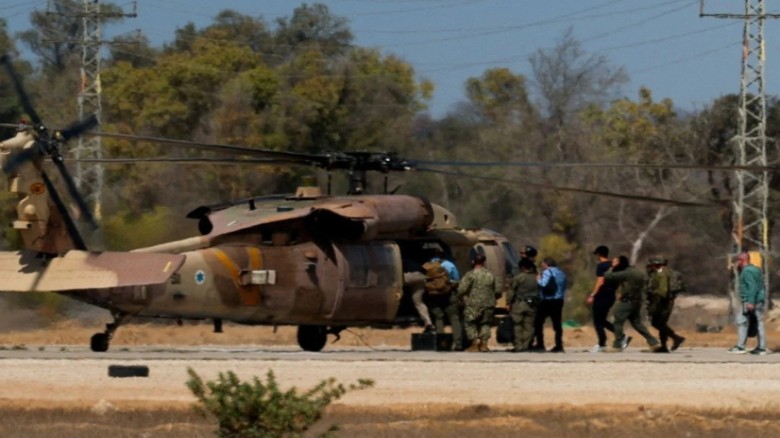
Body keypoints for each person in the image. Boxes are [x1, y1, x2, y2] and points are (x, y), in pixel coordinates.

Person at [604, 256, 662, 352]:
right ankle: (654, 343)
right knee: (637, 323)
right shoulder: (637, 272)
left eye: (615, 261)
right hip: (637, 301)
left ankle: (617, 345)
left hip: (627, 302)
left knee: (617, 322)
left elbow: (608, 276)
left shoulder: (626, 273)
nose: (612, 263)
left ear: (620, 262)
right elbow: (632, 287)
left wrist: (611, 267)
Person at [457, 253, 502, 352]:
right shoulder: (491, 274)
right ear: (484, 262)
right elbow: (498, 291)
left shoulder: (470, 274)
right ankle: (484, 345)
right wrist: (492, 298)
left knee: (470, 323)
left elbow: (461, 289)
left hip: (472, 303)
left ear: (473, 262)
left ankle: (474, 345)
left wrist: (460, 298)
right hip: (488, 303)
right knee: (485, 323)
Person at [728, 252, 768, 355]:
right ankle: (761, 347)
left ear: (741, 261)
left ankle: (741, 347)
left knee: (743, 321)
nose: (735, 264)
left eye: (736, 261)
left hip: (751, 300)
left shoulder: (747, 271)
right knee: (757, 322)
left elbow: (752, 287)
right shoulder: (756, 269)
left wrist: (750, 302)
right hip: (758, 299)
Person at [426, 247, 464, 351]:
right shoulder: (449, 264)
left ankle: (441, 344)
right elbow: (456, 279)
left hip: (433, 296)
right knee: (454, 319)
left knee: (439, 318)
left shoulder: (427, 266)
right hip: (449, 295)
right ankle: (458, 344)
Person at [646, 256, 686, 352]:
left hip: (661, 302)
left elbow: (662, 291)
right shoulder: (670, 272)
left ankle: (676, 338)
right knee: (662, 323)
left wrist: (653, 294)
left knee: (656, 323)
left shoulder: (661, 274)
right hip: (667, 301)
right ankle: (664, 346)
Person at [532, 257, 567, 353]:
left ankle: (540, 344)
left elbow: (543, 284)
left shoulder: (547, 272)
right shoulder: (561, 273)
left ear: (546, 264)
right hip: (559, 300)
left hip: (548, 300)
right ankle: (559, 345)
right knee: (557, 323)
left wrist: (538, 279)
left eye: (542, 264)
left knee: (538, 322)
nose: (542, 266)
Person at [586, 245, 617, 353]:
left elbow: (600, 281)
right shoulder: (612, 265)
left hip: (602, 296)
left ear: (599, 254)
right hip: (611, 295)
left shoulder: (601, 266)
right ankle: (620, 335)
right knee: (602, 320)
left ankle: (602, 344)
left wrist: (593, 295)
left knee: (597, 321)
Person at [506, 258, 539, 352]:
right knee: (529, 325)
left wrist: (508, 303)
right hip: (532, 304)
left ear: (522, 267)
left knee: (518, 325)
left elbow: (512, 291)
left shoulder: (519, 277)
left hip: (520, 304)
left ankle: (519, 345)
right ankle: (526, 345)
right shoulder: (536, 277)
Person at [403, 258, 434, 333]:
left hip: (409, 275)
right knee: (418, 302)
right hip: (421, 277)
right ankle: (428, 322)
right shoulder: (416, 263)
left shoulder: (402, 261)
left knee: (392, 285)